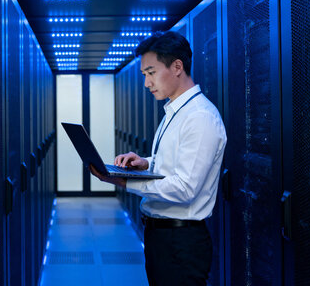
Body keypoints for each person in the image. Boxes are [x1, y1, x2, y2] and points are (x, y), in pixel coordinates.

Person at [90, 31, 227, 286]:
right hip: (163, 238)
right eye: (144, 75)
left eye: (151, 73)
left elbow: (185, 188)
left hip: (180, 242)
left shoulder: (200, 117)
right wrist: (146, 162)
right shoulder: (174, 112)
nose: (146, 83)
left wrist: (124, 182)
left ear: (177, 67)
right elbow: (176, 162)